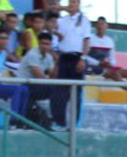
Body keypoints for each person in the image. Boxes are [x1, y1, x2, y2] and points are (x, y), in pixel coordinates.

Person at [85, 16, 127, 104]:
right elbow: (85, 56)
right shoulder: (90, 38)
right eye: (98, 24)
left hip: (106, 66)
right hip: (93, 67)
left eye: (103, 24)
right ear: (95, 27)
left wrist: (111, 64)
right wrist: (98, 63)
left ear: (107, 26)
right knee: (115, 74)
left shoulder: (109, 41)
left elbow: (112, 58)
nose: (101, 26)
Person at [51, 0, 90, 131]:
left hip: (76, 58)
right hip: (63, 57)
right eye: (70, 2)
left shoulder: (84, 20)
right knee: (60, 92)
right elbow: (60, 38)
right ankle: (60, 122)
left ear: (78, 4)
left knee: (76, 93)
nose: (71, 4)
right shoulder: (62, 21)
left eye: (74, 2)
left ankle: (74, 124)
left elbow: (86, 40)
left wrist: (83, 58)